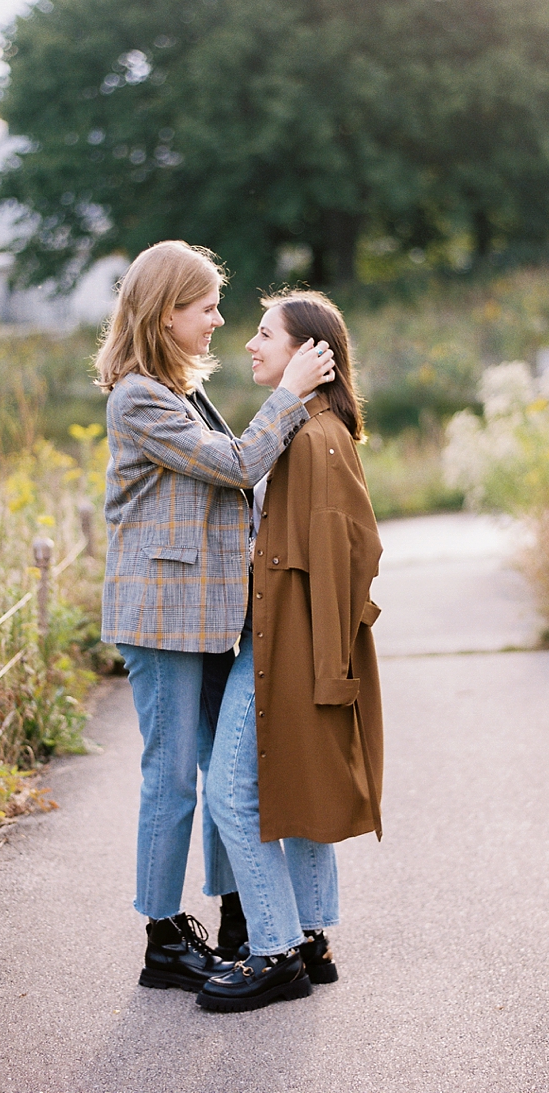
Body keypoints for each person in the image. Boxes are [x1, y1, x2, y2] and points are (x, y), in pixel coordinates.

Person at [96, 243, 336, 993]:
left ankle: (239, 917)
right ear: (166, 314)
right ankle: (163, 938)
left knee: (223, 771)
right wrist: (291, 393)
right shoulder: (138, 397)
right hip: (163, 621)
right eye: (206, 307)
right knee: (171, 782)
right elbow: (235, 464)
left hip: (202, 620)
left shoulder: (179, 392)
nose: (219, 321)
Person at [199, 291, 384, 1014]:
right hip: (287, 639)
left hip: (295, 646)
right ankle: (309, 937)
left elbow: (352, 548)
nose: (249, 343)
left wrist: (331, 663)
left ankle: (274, 949)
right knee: (300, 786)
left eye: (265, 334)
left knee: (227, 791)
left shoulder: (315, 436)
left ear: (310, 353)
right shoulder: (307, 429)